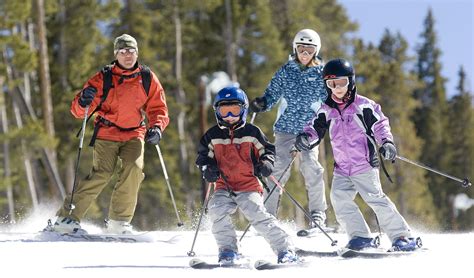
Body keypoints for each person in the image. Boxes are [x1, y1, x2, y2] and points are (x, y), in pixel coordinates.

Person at [45, 34, 169, 235]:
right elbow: (78, 111)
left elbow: (158, 108)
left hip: (134, 133)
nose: (127, 55)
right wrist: (83, 101)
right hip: (107, 132)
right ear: (116, 54)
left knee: (134, 169)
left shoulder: (147, 77)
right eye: (122, 51)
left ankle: (119, 222)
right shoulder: (104, 77)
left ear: (137, 53)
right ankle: (65, 218)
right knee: (102, 173)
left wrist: (156, 127)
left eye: (131, 51)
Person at [294, 58, 420, 251]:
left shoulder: (363, 105)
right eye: (331, 84)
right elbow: (314, 130)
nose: (337, 88)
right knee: (338, 198)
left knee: (375, 199)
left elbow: (380, 124)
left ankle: (402, 236)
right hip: (342, 168)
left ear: (351, 81)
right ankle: (360, 236)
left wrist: (386, 142)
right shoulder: (326, 109)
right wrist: (305, 138)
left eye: (341, 83)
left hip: (364, 165)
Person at [196, 86, 298, 264]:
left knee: (257, 215)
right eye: (224, 110)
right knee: (215, 209)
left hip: (248, 185)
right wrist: (208, 169)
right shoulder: (212, 136)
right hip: (223, 186)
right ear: (217, 112)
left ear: (243, 110)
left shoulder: (252, 132)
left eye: (234, 110)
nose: (229, 116)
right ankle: (228, 250)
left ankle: (285, 249)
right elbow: (203, 158)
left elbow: (267, 151)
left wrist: (266, 164)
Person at [249, 28, 328, 229]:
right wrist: (263, 103)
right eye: (301, 49)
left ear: (316, 51)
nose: (305, 54)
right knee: (277, 170)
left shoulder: (321, 74)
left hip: (309, 131)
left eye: (309, 50)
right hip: (285, 129)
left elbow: (330, 101)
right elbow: (273, 93)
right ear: (295, 49)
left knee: (312, 168)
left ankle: (318, 213)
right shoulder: (286, 71)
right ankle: (268, 214)